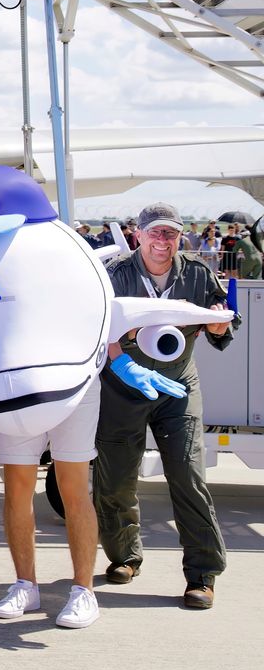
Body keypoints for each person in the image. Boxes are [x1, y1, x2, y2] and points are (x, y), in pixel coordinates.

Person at [93, 202, 238, 609]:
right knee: (116, 479)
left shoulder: (196, 272)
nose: (163, 241)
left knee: (188, 476)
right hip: (124, 384)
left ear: (180, 238)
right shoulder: (115, 274)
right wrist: (121, 362)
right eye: (155, 233)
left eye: (171, 234)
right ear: (138, 234)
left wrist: (219, 322)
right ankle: (124, 556)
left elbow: (223, 318)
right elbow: (95, 324)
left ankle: (203, 574)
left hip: (177, 386)